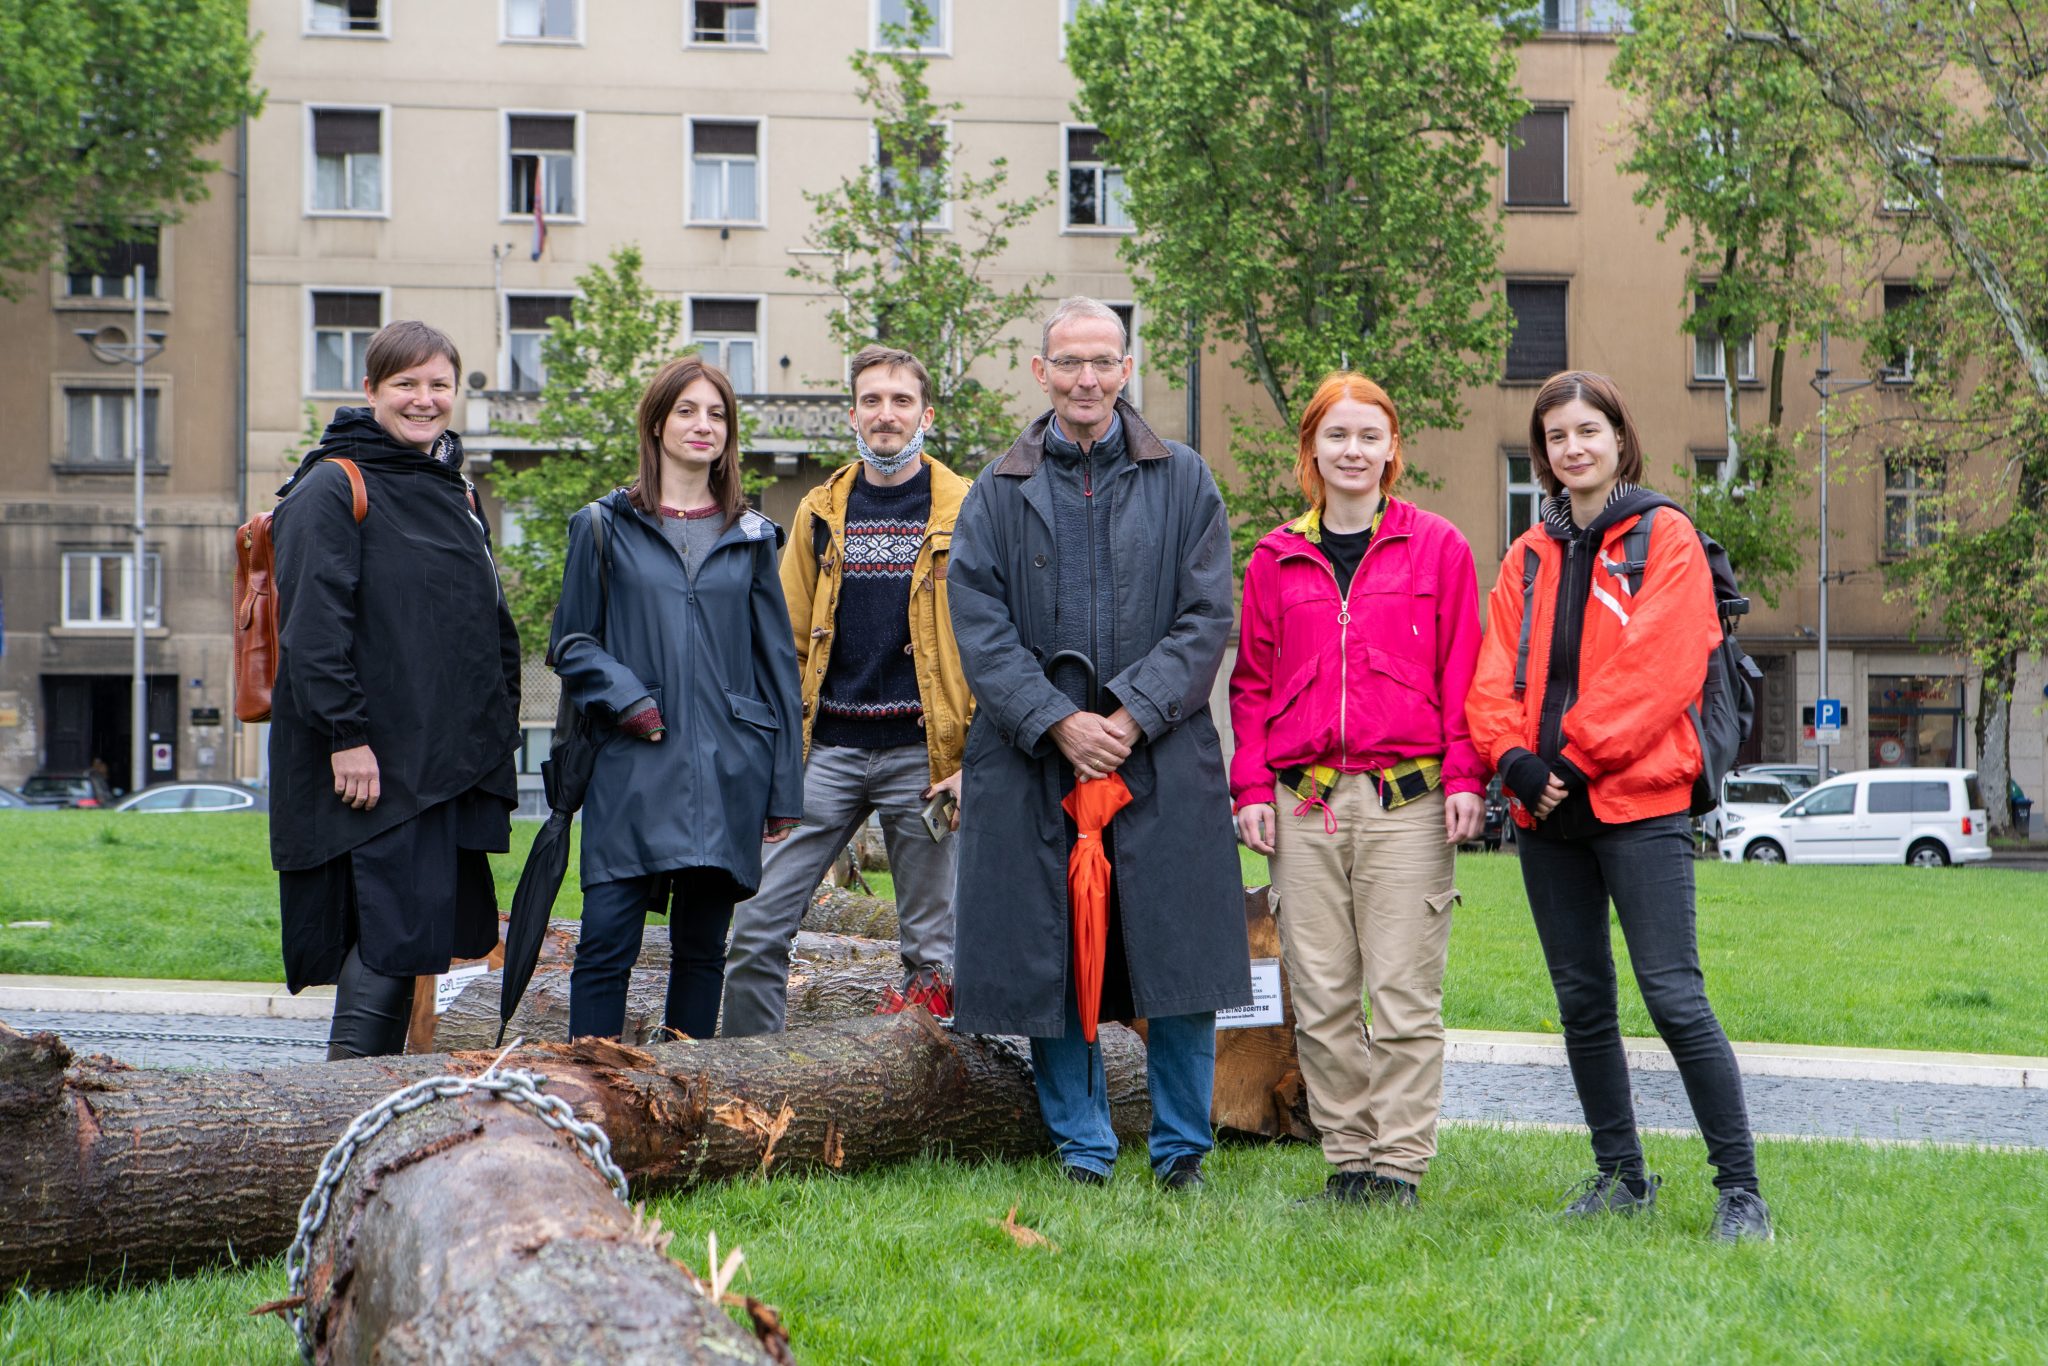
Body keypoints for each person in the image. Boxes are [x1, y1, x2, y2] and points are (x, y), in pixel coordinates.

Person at [948, 296, 1249, 1190]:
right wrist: (1056, 721)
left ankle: (1181, 1149)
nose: (1087, 379)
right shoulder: (995, 491)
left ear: (1127, 369)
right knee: (1054, 953)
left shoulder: (1185, 480)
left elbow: (1207, 615)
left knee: (1178, 955)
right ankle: (1083, 1146)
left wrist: (1129, 716)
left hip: (1160, 753)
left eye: (1103, 361)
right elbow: (979, 626)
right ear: (1040, 372)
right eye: (1069, 362)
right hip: (1032, 759)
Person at [1465, 371, 1773, 1241]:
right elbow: (1491, 679)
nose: (1573, 448)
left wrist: (1567, 757)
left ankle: (1741, 1191)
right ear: (1544, 452)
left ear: (1619, 437)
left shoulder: (1663, 535)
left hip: (1640, 802)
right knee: (1582, 1002)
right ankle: (1621, 1176)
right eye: (1556, 436)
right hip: (1546, 813)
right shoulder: (1526, 555)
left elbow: (1662, 669)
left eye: (1587, 430)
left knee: (1674, 997)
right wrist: (1514, 762)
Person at [1227, 372, 1485, 1208]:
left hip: (1406, 803)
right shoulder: (1274, 556)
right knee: (1323, 995)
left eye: (1369, 436)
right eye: (1336, 435)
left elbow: (1463, 671)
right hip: (1303, 805)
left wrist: (1466, 775)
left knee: (1404, 995)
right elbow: (1251, 684)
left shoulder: (1438, 547)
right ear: (1312, 449)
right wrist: (1249, 787)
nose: (1353, 450)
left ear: (1392, 449)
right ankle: (1350, 1160)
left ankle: (1399, 1166)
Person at [269, 320, 521, 1060]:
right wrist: (346, 737)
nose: (424, 399)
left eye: (439, 384)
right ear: (371, 390)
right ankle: (346, 1105)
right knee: (389, 936)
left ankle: (366, 1103)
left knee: (407, 940)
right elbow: (313, 630)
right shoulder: (332, 485)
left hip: (435, 762)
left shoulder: (452, 489)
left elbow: (477, 620)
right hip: (372, 764)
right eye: (405, 384)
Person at [722, 346, 974, 1034]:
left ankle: (927, 1086)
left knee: (933, 957)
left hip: (925, 761)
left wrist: (972, 760)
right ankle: (752, 1073)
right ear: (853, 415)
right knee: (755, 929)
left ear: (926, 415)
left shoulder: (970, 511)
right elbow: (783, 643)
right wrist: (772, 757)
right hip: (825, 753)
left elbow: (994, 646)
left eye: (900, 401)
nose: (886, 415)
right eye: (871, 401)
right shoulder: (820, 511)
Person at [550, 356, 804, 1042]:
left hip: (729, 767)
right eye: (687, 410)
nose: (703, 425)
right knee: (606, 942)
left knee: (702, 950)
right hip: (632, 763)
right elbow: (571, 642)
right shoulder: (602, 526)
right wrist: (628, 697)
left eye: (717, 414)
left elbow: (777, 667)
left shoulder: (753, 536)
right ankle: (592, 1090)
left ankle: (685, 1093)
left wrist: (783, 786)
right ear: (657, 423)